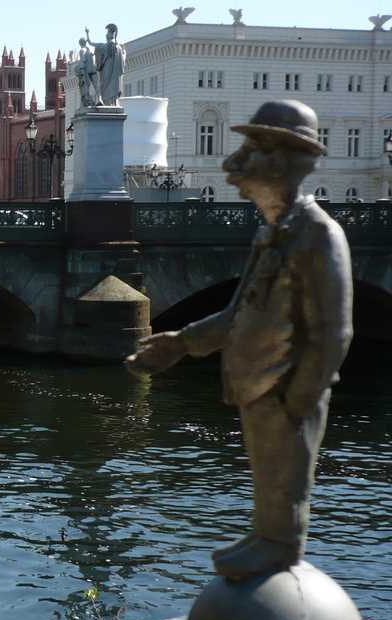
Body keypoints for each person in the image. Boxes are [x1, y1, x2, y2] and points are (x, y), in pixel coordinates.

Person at [127, 100, 351, 580]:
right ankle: (266, 536)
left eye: (251, 148)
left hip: (286, 384)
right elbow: (240, 313)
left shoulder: (317, 235)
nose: (236, 162)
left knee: (288, 472)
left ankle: (282, 545)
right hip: (259, 379)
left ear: (280, 160)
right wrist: (181, 342)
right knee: (267, 474)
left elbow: (334, 331)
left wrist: (302, 394)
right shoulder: (271, 233)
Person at [84, 24, 126, 106]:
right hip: (115, 75)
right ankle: (113, 103)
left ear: (110, 34)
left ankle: (107, 103)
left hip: (106, 72)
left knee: (104, 88)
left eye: (107, 33)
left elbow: (90, 42)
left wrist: (87, 33)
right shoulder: (119, 48)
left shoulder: (104, 46)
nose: (106, 34)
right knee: (112, 88)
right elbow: (122, 66)